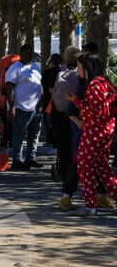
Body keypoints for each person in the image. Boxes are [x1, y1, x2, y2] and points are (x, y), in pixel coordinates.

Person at [64, 52, 117, 215]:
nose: (78, 70)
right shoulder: (106, 84)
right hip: (105, 132)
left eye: (79, 67)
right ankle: (92, 204)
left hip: (94, 133)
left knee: (85, 167)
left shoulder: (94, 86)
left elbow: (96, 112)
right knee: (103, 170)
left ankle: (90, 206)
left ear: (87, 68)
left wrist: (76, 102)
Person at [4, 44, 42, 169]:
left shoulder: (35, 67)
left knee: (34, 135)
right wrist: (12, 107)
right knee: (19, 134)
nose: (28, 56)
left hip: (35, 108)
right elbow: (9, 87)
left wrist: (40, 103)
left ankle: (30, 158)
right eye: (25, 54)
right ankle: (17, 160)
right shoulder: (15, 68)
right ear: (20, 54)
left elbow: (39, 85)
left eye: (30, 54)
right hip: (21, 108)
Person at [51, 47, 81, 180]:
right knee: (76, 143)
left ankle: (63, 171)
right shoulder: (81, 71)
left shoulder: (58, 71)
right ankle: (76, 171)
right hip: (77, 112)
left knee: (62, 143)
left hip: (58, 112)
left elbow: (51, 91)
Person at [39, 53, 62, 147]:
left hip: (47, 100)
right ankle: (55, 140)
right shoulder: (61, 71)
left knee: (48, 121)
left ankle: (49, 139)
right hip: (58, 100)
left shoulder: (46, 72)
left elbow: (44, 86)